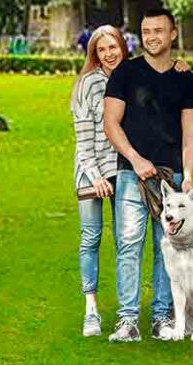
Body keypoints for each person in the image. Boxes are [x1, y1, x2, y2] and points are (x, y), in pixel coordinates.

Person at [103, 8, 193, 342]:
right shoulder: (125, 73)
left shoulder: (186, 79)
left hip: (171, 177)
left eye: (158, 31)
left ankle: (162, 317)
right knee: (129, 245)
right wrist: (134, 159)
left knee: (168, 248)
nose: (151, 37)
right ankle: (127, 320)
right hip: (131, 175)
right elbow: (110, 123)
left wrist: (188, 174)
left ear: (173, 34)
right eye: (146, 31)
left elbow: (191, 130)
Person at [70, 25, 129, 336]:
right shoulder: (87, 84)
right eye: (102, 49)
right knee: (91, 237)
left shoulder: (132, 77)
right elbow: (83, 140)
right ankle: (90, 309)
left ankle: (126, 311)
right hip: (90, 169)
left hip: (121, 169)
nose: (108, 54)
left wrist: (180, 65)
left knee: (125, 239)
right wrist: (95, 176)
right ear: (94, 53)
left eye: (113, 47)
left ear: (122, 47)